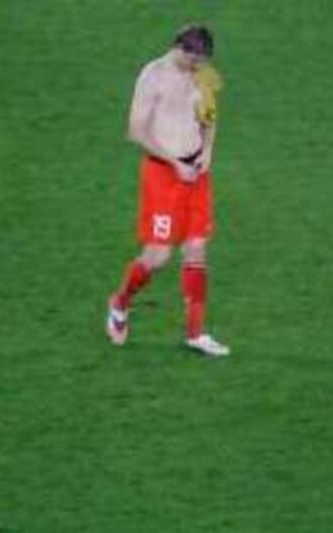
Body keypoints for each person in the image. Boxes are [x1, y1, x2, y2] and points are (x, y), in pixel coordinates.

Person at [105, 24, 230, 357]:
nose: (200, 67)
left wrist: (207, 152)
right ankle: (119, 303)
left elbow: (211, 117)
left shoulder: (203, 74)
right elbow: (135, 131)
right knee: (158, 256)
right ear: (182, 49)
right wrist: (175, 163)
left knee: (197, 249)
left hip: (197, 173)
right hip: (164, 175)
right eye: (196, 60)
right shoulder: (152, 76)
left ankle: (196, 333)